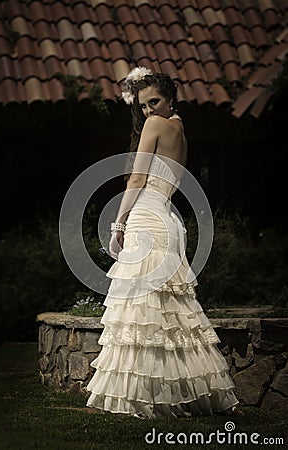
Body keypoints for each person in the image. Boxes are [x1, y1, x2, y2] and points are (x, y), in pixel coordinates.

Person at [86, 67, 241, 418]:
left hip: (147, 216)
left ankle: (142, 396)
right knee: (167, 313)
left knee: (143, 312)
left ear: (171, 98)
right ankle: (180, 393)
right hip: (168, 217)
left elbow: (139, 176)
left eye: (154, 102)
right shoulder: (180, 128)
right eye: (142, 106)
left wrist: (117, 223)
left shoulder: (156, 125)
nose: (148, 111)